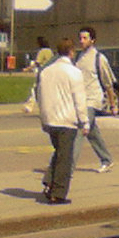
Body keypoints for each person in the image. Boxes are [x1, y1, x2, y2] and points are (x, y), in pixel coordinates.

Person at [35, 38, 86, 206]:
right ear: (72, 52)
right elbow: (79, 99)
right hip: (67, 120)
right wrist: (84, 122)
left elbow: (40, 96)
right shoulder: (74, 72)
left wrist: (43, 118)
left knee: (59, 151)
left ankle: (49, 180)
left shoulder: (46, 72)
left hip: (50, 119)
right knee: (65, 157)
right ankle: (58, 193)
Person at [73, 27, 116, 173]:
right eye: (80, 38)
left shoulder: (99, 58)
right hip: (81, 99)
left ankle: (68, 167)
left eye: (85, 38)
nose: (81, 41)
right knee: (92, 132)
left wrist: (112, 105)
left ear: (92, 40)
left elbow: (108, 83)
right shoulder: (78, 57)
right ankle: (107, 159)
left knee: (80, 129)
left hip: (92, 100)